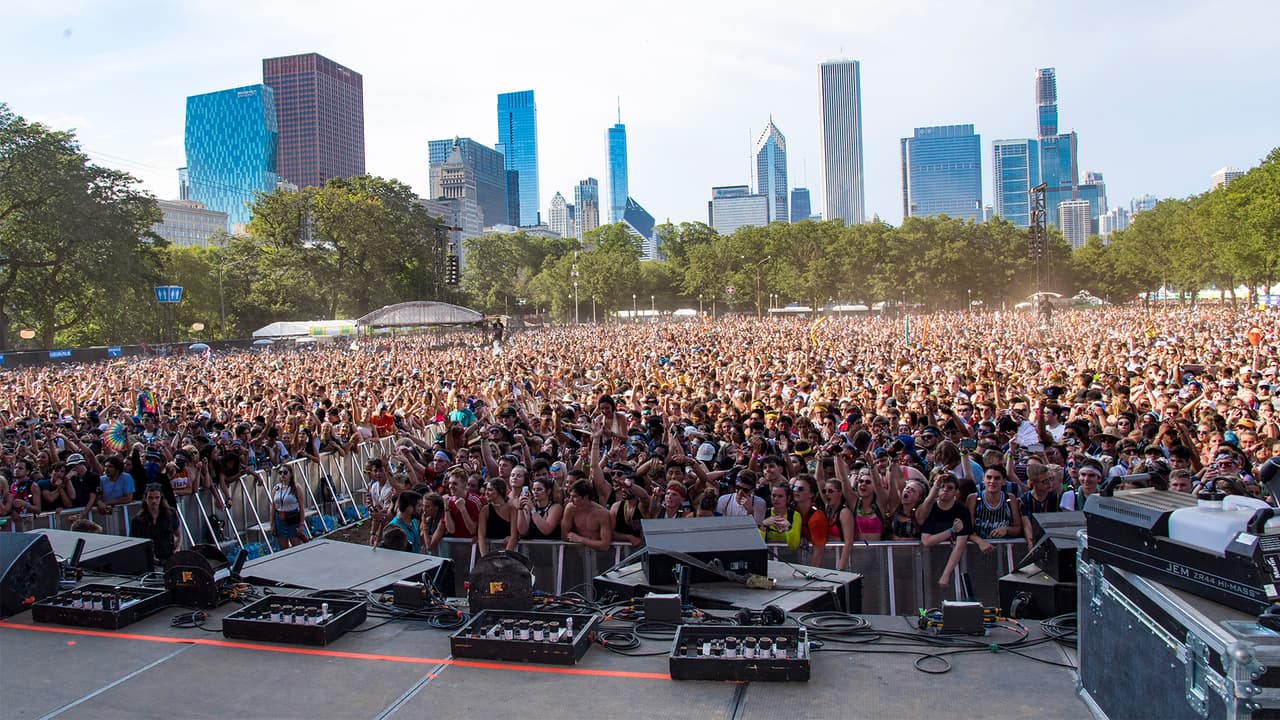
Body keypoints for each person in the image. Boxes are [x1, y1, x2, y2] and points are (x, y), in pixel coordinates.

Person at [917, 469, 973, 588]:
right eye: (942, 487)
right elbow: (926, 541)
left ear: (956, 491)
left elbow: (960, 546)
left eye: (949, 488)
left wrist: (946, 574)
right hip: (927, 559)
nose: (945, 490)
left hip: (952, 563)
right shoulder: (931, 508)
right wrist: (951, 531)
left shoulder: (962, 511)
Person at [967, 465, 1023, 554]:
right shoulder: (973, 498)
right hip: (978, 550)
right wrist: (980, 541)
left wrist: (1006, 529)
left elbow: (1018, 528)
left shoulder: (1010, 498)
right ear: (983, 479)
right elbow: (966, 529)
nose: (992, 481)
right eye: (989, 477)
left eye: (997, 478)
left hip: (1004, 550)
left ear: (1004, 481)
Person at [130, 483, 180, 564]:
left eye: (157, 498)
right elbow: (134, 543)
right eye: (150, 498)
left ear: (161, 499)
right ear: (145, 499)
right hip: (148, 561)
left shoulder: (170, 514)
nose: (154, 501)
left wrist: (177, 548)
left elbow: (178, 534)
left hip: (169, 558)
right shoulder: (137, 520)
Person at [561, 478, 612, 551]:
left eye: (574, 497)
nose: (570, 500)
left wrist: (581, 539)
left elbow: (605, 545)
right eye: (570, 496)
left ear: (585, 497)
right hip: (577, 553)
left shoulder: (602, 513)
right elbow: (564, 536)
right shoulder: (570, 508)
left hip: (598, 555)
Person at [477, 477, 518, 555]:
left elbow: (514, 536)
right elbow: (481, 537)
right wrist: (485, 558)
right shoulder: (485, 510)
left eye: (490, 490)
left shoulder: (512, 509)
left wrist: (505, 556)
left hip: (509, 553)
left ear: (500, 491)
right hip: (490, 553)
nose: (486, 493)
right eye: (486, 489)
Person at [269, 466, 308, 549]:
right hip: (280, 518)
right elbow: (273, 507)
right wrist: (272, 524)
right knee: (283, 547)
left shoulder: (296, 487)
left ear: (290, 474)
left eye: (285, 472)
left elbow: (301, 507)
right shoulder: (276, 488)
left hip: (292, 517)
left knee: (296, 544)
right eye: (280, 472)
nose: (282, 475)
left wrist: (301, 524)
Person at [760, 483, 802, 550]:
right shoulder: (763, 513)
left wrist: (789, 528)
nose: (776, 499)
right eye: (773, 495)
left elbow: (794, 545)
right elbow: (758, 544)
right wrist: (763, 525)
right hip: (767, 555)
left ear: (788, 498)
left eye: (780, 496)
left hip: (789, 556)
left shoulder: (795, 515)